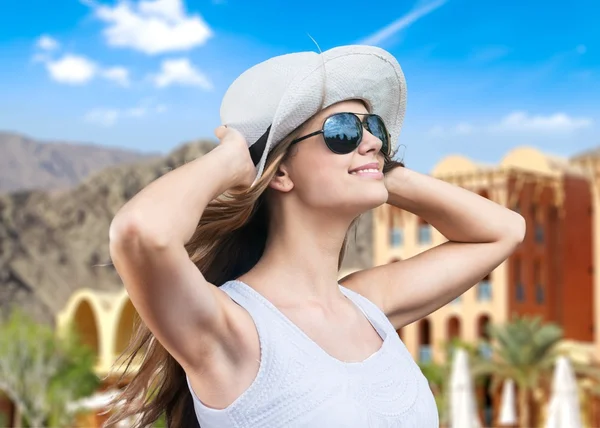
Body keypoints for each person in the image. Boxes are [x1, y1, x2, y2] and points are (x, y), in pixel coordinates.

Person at [105, 45, 525, 428]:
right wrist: (234, 158)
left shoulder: (368, 306)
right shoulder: (233, 330)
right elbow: (141, 234)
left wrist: (383, 171)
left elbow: (504, 231)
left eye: (373, 127)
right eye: (342, 131)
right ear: (281, 172)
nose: (373, 141)